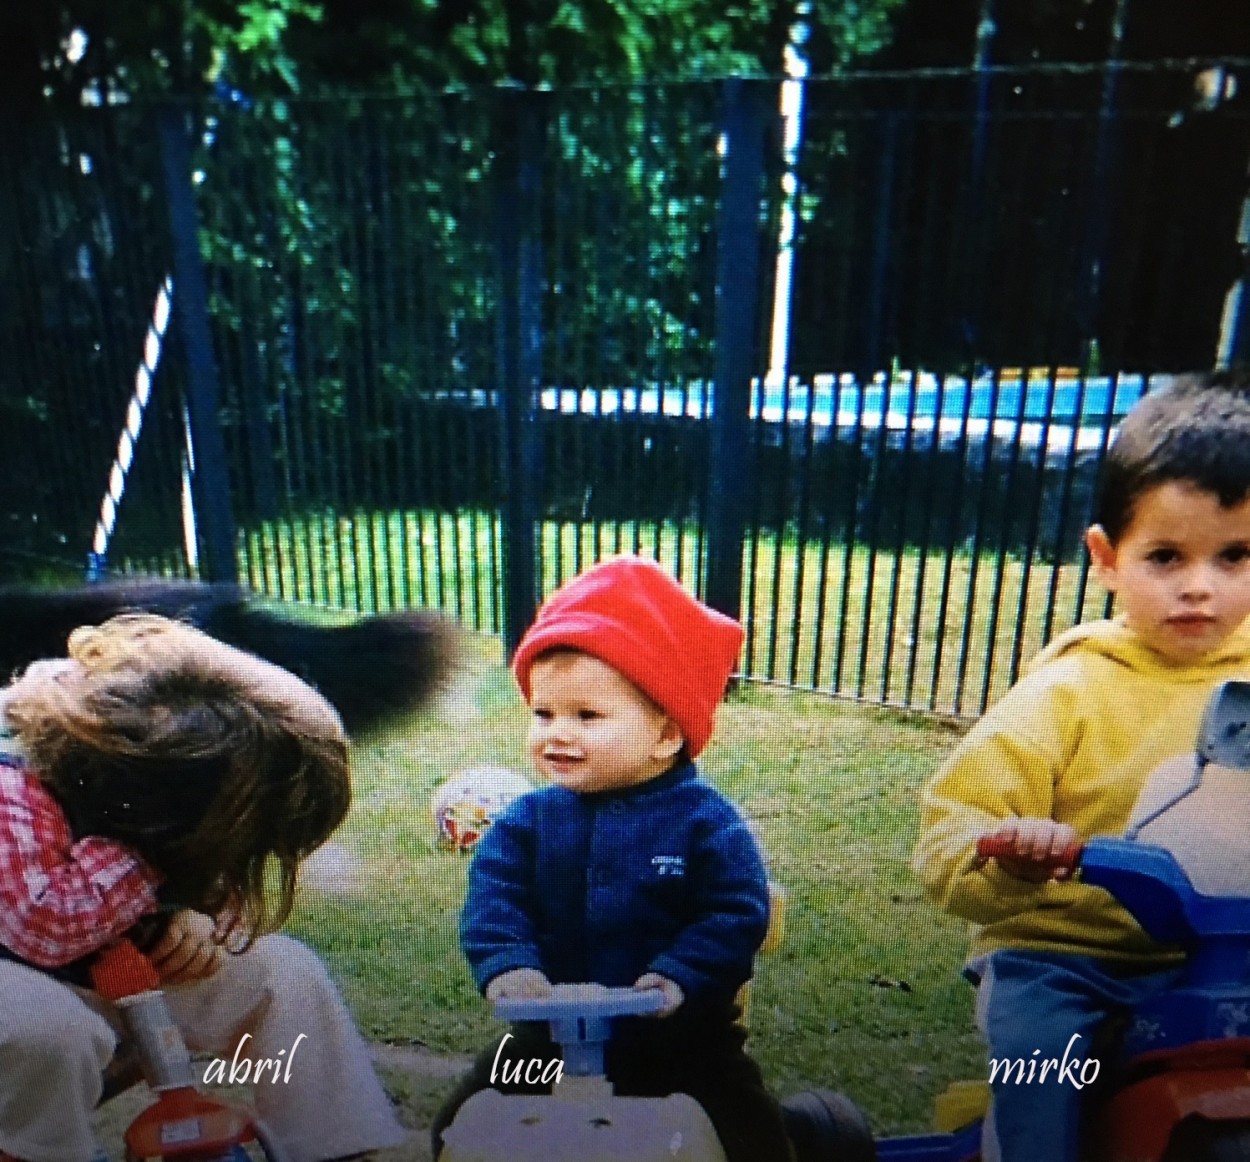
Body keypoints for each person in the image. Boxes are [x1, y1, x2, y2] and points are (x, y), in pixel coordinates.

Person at [912, 368, 1250, 1162]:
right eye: (1166, 557)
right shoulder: (1069, 690)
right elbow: (949, 833)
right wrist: (1012, 852)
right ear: (1106, 556)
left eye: (1235, 556)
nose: (1199, 587)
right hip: (1067, 962)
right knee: (1041, 1071)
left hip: (1227, 957)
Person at [0, 614, 407, 1162]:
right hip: (24, 980)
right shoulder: (14, 787)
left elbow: (203, 871)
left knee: (279, 972)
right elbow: (43, 924)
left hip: (99, 967)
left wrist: (198, 913)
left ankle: (331, 1147)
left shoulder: (152, 776)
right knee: (49, 1030)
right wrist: (151, 862)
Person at [431, 556, 793, 1161]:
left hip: (679, 1042)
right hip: (543, 1045)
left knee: (750, 1133)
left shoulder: (705, 822)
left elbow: (736, 912)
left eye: (587, 716)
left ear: (665, 736)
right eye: (543, 713)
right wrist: (511, 968)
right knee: (460, 1125)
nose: (557, 733)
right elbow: (495, 906)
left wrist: (679, 976)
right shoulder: (524, 824)